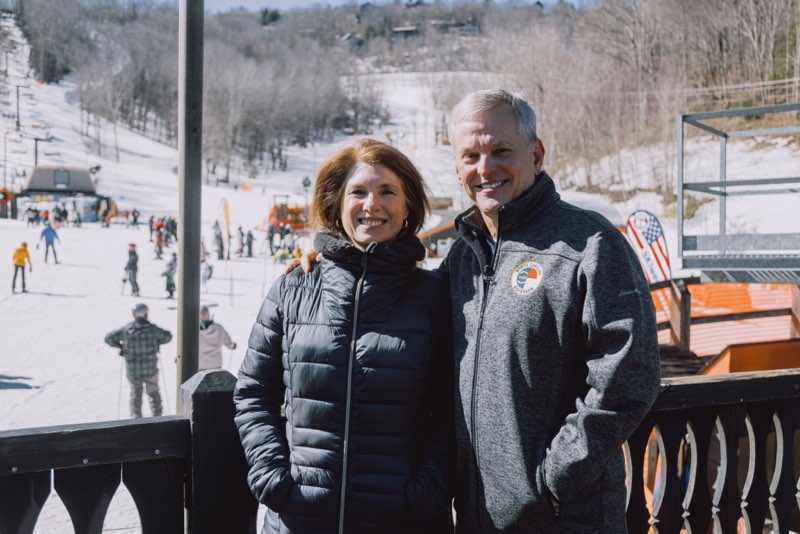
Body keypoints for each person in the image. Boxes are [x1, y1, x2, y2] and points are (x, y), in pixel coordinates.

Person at [294, 90, 661, 531]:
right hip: (473, 518)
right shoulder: (461, 259)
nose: (485, 168)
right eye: (471, 156)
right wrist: (326, 261)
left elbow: (629, 376)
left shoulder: (590, 244)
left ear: (536, 154)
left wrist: (553, 480)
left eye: (501, 150)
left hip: (566, 519)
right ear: (457, 169)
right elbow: (393, 305)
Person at [234, 138, 454, 533]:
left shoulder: (436, 296)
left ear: (408, 206)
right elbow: (253, 392)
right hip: (299, 518)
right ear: (337, 203)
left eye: (388, 191)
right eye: (358, 192)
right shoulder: (294, 288)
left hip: (402, 521)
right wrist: (273, 476)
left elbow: (455, 406)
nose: (372, 205)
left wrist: (426, 491)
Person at [104, 303, 172, 418]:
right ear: (146, 314)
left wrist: (121, 346)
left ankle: (136, 419)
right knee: (153, 393)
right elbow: (168, 336)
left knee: (136, 394)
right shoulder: (152, 329)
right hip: (150, 369)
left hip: (133, 371)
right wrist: (157, 342)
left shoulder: (126, 330)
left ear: (133, 314)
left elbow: (108, 338)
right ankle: (157, 417)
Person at [197, 306, 236, 371]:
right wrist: (232, 345)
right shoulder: (218, 328)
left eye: (203, 314)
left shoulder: (194, 330)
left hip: (201, 365)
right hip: (216, 365)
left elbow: (188, 346)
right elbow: (228, 342)